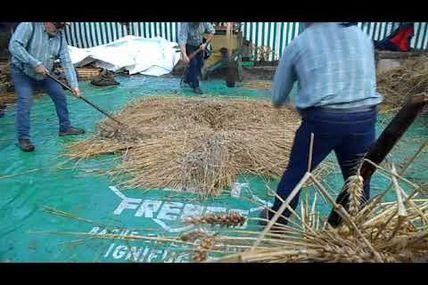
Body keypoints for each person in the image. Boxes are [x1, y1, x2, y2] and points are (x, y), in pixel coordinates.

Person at [261, 22, 383, 226]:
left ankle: (277, 220)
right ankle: (358, 226)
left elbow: (277, 96)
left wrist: (292, 102)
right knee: (358, 177)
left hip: (323, 120)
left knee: (297, 172)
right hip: (364, 117)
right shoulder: (360, 35)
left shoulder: (300, 43)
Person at [9, 22, 85, 152]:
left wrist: (74, 86)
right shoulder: (29, 25)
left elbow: (66, 61)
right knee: (25, 101)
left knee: (59, 95)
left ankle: (65, 128)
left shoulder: (59, 37)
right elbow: (14, 46)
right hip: (22, 72)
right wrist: (34, 63)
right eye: (58, 26)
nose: (60, 29)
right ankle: (24, 138)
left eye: (63, 27)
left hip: (44, 74)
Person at [178, 22, 215, 94]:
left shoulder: (204, 23)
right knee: (194, 63)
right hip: (189, 46)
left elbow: (212, 31)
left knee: (200, 63)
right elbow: (182, 41)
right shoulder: (185, 25)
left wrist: (205, 43)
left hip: (199, 45)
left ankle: (188, 78)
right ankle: (196, 86)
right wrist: (185, 55)